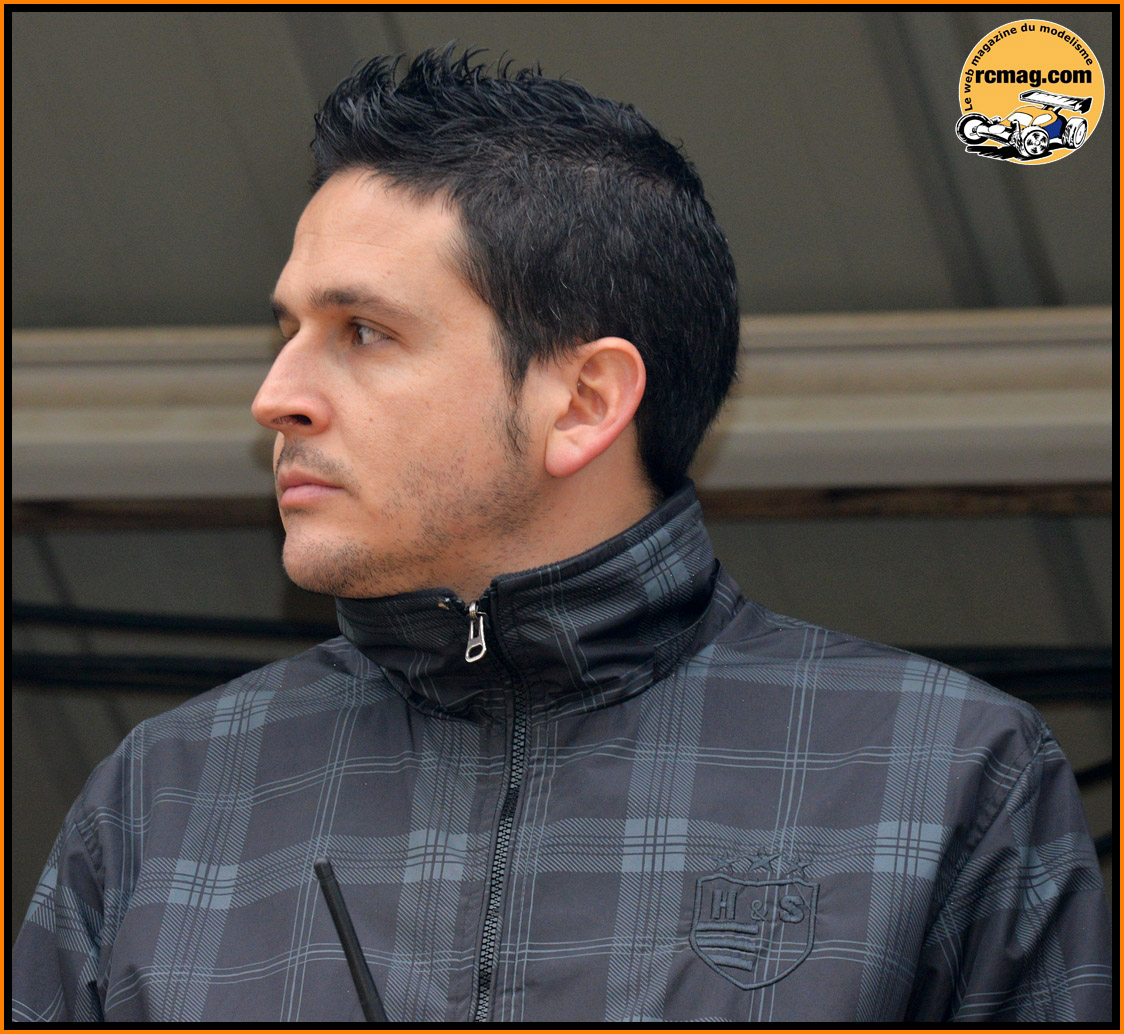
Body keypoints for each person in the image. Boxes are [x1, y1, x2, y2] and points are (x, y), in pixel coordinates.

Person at [13, 48, 1110, 1023]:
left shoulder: (942, 778)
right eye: (288, 329)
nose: (276, 396)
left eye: (363, 331)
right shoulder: (166, 797)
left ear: (584, 401)